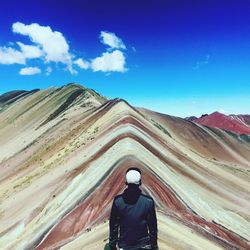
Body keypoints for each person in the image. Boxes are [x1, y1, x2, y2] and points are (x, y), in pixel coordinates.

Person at [108, 167, 159, 250]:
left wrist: (112, 246)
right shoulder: (148, 202)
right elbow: (152, 228)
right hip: (144, 245)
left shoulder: (118, 201)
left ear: (126, 183)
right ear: (140, 183)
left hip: (124, 246)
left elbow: (114, 227)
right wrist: (154, 247)